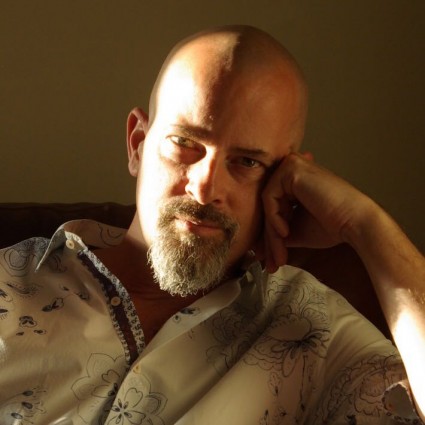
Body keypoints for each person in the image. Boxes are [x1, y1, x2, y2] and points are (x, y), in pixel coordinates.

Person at [0, 25, 424, 425]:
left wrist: (363, 222)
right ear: (137, 144)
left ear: (289, 180)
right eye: (184, 143)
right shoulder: (9, 284)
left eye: (247, 162)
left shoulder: (315, 328)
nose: (205, 189)